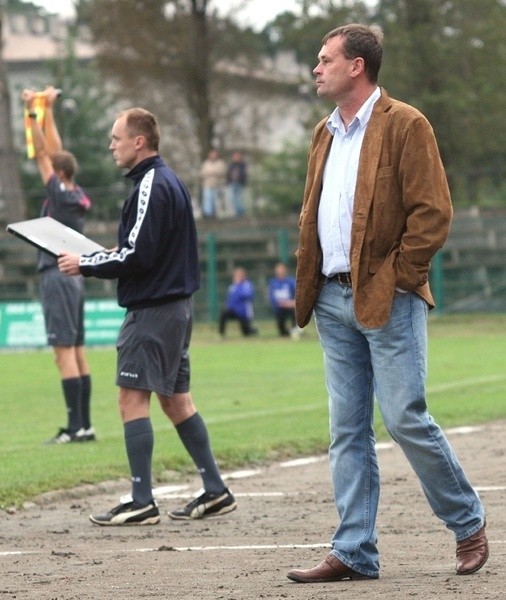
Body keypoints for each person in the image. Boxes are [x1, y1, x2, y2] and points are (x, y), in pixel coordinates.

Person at [287, 24, 488, 584]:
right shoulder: (323, 134)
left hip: (388, 294)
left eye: (325, 60)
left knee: (404, 418)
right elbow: (315, 213)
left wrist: (399, 276)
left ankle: (467, 522)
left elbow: (433, 213)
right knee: (346, 429)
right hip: (330, 297)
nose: (316, 68)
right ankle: (353, 551)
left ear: (357, 67)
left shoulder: (406, 123)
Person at [58, 108, 236, 525]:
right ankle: (215, 490)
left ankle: (141, 499)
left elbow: (137, 254)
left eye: (116, 138)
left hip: (154, 310)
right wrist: (96, 257)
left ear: (139, 141)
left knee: (130, 398)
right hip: (175, 308)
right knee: (176, 401)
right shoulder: (164, 181)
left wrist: (85, 262)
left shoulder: (151, 185)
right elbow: (141, 247)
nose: (111, 145)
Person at [21, 86, 95, 445]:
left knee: (62, 353)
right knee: (78, 352)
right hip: (75, 278)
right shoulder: (76, 193)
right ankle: (86, 425)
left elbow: (41, 154)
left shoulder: (59, 194)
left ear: (58, 173)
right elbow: (55, 151)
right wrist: (48, 108)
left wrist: (31, 114)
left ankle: (74, 427)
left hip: (56, 274)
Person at [219, 267, 257, 337]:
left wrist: (238, 287)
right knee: (223, 314)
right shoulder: (232, 286)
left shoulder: (247, 285)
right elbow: (230, 298)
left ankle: (253, 330)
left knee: (246, 333)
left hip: (243, 312)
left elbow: (248, 295)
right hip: (233, 310)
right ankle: (221, 333)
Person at [267, 262, 296, 337]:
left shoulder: (291, 281)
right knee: (282, 330)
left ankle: (295, 329)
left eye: (282, 270)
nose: (280, 272)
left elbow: (297, 294)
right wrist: (279, 303)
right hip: (279, 307)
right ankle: (285, 332)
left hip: (290, 306)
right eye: (278, 270)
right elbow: (271, 296)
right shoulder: (273, 282)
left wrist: (290, 303)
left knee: (295, 311)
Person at [200, 148, 227, 218]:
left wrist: (211, 173)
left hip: (217, 185)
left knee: (215, 200)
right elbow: (203, 173)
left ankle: (215, 213)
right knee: (208, 199)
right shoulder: (206, 163)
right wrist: (213, 172)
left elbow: (222, 172)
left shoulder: (220, 163)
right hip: (207, 184)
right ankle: (208, 214)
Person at [226, 151, 247, 217]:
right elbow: (228, 174)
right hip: (232, 183)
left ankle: (240, 211)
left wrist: (238, 176)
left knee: (239, 198)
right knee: (232, 198)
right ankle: (238, 211)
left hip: (240, 183)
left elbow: (244, 174)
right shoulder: (231, 165)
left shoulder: (242, 165)